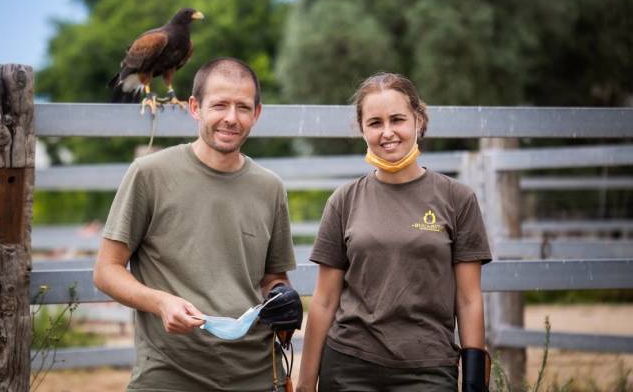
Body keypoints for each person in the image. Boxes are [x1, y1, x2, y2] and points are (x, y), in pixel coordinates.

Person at [93, 57, 298, 392]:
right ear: (194, 107)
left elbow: (273, 278)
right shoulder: (150, 174)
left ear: (256, 114)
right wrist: (161, 302)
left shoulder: (270, 187)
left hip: (257, 376)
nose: (231, 118)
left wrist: (282, 297)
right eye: (219, 105)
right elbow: (106, 270)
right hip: (169, 376)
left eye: (243, 107)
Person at [297, 72, 492, 392]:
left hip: (428, 370)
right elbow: (324, 300)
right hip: (348, 367)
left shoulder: (458, 199)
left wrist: (474, 382)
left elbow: (469, 299)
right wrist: (305, 384)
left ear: (418, 120)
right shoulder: (344, 200)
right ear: (362, 129)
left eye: (398, 119)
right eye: (375, 123)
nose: (387, 133)